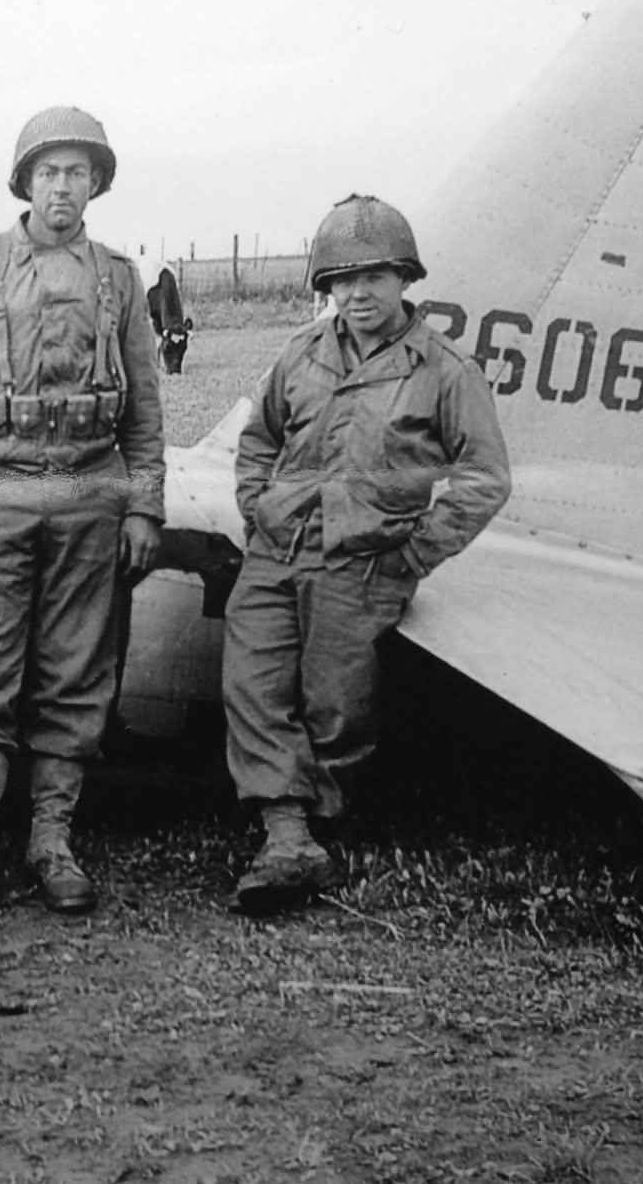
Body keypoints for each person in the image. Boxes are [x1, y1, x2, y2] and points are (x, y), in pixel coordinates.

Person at [0, 106, 166, 915]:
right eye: (48, 171)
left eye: (78, 172)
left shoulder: (119, 278)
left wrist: (142, 508)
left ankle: (52, 841)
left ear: (97, 185)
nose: (63, 187)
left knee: (74, 680)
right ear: (25, 182)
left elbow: (146, 410)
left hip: (90, 498)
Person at [223, 193, 511, 914]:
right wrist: (259, 503)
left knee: (337, 700)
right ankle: (286, 830)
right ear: (325, 287)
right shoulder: (301, 353)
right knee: (252, 681)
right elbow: (259, 437)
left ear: (405, 279)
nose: (357, 293)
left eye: (375, 276)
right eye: (342, 280)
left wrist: (414, 555)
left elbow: (484, 479)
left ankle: (324, 820)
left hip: (364, 560)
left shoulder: (445, 370)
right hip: (279, 548)